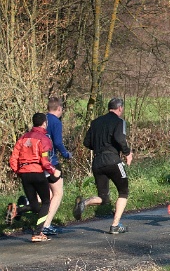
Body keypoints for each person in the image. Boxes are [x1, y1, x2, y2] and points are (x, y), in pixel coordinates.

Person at [73, 97, 133, 234]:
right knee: (123, 192)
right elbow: (120, 138)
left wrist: (99, 146)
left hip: (97, 162)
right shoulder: (119, 121)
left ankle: (84, 203)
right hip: (113, 160)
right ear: (120, 108)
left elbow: (87, 142)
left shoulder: (95, 122)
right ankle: (115, 225)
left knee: (104, 198)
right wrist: (127, 153)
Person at [10, 113, 61, 242]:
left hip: (25, 174)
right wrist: (53, 171)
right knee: (46, 202)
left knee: (34, 205)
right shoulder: (44, 139)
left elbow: (13, 158)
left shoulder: (23, 138)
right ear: (44, 123)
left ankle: (17, 210)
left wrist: (19, 172)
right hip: (37, 173)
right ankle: (38, 232)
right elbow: (45, 161)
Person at [42, 97, 72, 237]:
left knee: (47, 193)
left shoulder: (42, 120)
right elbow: (58, 142)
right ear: (59, 108)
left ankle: (25, 204)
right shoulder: (56, 122)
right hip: (51, 161)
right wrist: (66, 154)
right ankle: (46, 225)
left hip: (39, 161)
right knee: (58, 193)